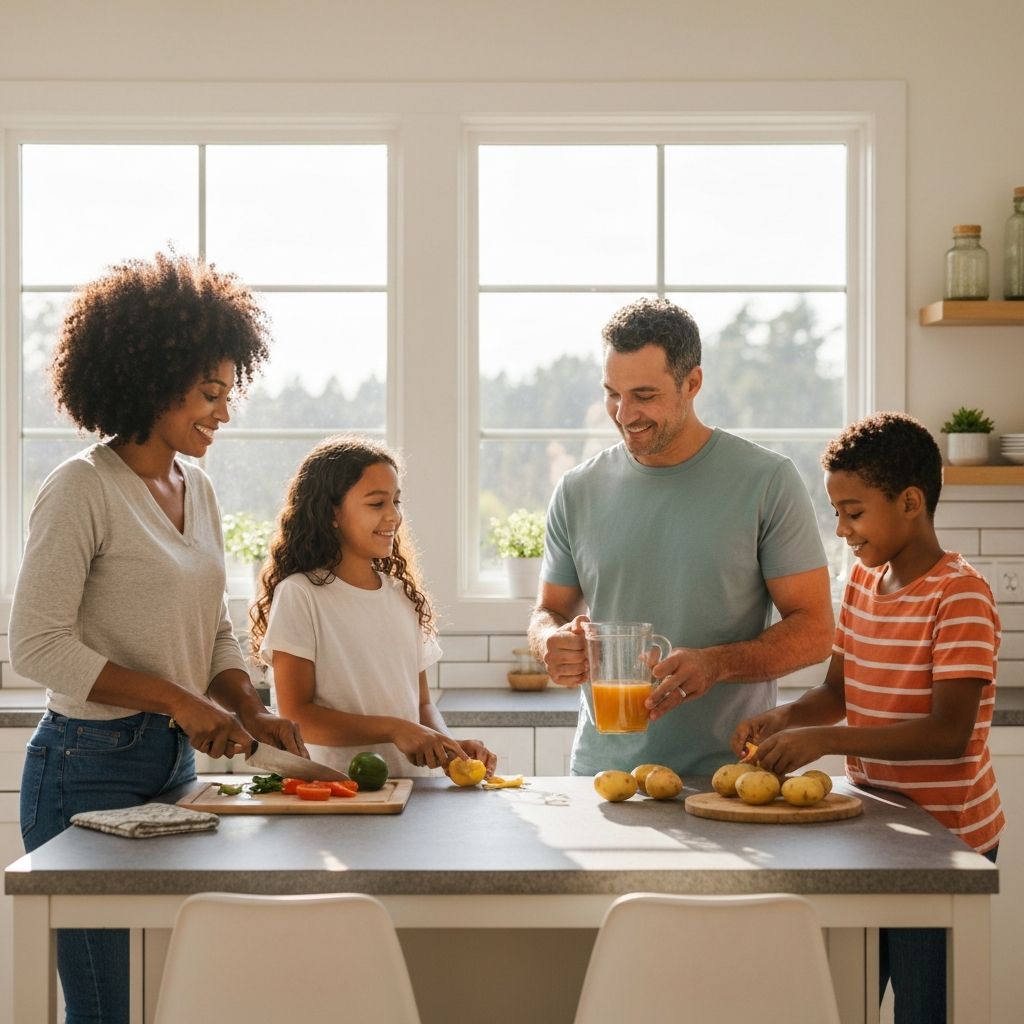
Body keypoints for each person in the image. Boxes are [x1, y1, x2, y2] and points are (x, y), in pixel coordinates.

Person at [9, 252, 309, 1024]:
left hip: (172, 766)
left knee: (193, 989)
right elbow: (37, 646)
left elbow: (209, 626)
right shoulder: (80, 488)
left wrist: (247, 702)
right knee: (106, 1007)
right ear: (151, 380)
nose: (225, 412)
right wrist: (176, 698)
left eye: (227, 392)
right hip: (83, 771)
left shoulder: (195, 485)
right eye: (210, 393)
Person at [731, 411, 1003, 1023]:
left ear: (910, 502)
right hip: (876, 828)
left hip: (947, 842)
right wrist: (785, 719)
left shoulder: (958, 593)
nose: (841, 530)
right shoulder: (861, 581)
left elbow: (949, 734)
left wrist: (824, 740)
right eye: (837, 513)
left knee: (923, 1008)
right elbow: (838, 689)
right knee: (848, 997)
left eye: (853, 512)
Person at [528, 297, 834, 776]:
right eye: (613, 393)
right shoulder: (577, 489)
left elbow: (816, 631)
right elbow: (549, 611)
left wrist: (717, 664)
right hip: (604, 778)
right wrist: (549, 639)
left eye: (644, 395)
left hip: (729, 779)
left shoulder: (766, 480)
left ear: (692, 383)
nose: (624, 414)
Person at [251, 435, 497, 779]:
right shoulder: (300, 595)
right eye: (376, 503)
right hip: (337, 792)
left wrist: (449, 745)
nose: (394, 516)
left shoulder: (402, 595)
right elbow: (297, 717)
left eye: (396, 501)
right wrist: (394, 729)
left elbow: (422, 705)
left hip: (412, 792)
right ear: (333, 513)